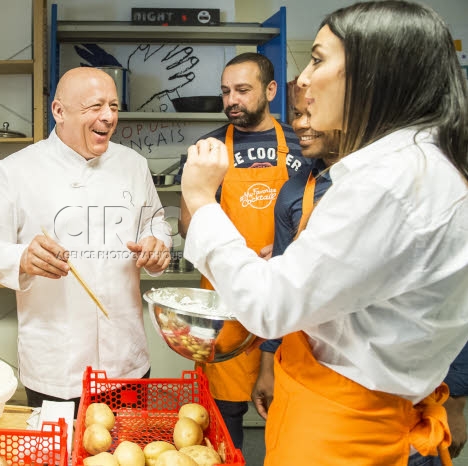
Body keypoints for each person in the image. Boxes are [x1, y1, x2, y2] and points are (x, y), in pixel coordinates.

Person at [180, 1, 468, 464]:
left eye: (317, 59)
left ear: (374, 73)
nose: (304, 81)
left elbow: (272, 305)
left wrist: (199, 200)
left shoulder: (390, 184)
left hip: (350, 435)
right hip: (343, 407)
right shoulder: (421, 165)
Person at [251, 80, 468, 465]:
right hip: (316, 395)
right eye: (297, 114)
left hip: (394, 405)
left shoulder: (406, 188)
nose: (302, 123)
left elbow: (447, 305)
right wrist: (270, 365)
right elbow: (283, 297)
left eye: (310, 113)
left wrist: (459, 397)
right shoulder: (293, 193)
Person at [0, 67, 172, 415]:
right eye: (95, 106)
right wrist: (21, 258)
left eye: (114, 106)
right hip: (55, 364)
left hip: (127, 358)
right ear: (59, 111)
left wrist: (156, 243)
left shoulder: (133, 165)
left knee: (123, 453)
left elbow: (155, 221)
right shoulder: (16, 170)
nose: (108, 117)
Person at [176, 52, 308, 451]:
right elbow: (187, 225)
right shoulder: (207, 150)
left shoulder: (303, 146)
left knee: (287, 411)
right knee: (222, 415)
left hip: (288, 299)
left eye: (243, 90)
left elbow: (321, 217)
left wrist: (292, 248)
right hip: (224, 303)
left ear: (269, 91)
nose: (232, 100)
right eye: (225, 92)